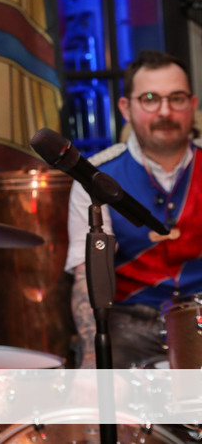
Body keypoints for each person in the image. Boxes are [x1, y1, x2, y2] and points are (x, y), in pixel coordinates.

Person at [66, 49, 202, 368]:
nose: (165, 111)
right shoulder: (95, 178)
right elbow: (87, 278)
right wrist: (92, 361)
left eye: (177, 98)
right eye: (150, 99)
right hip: (128, 325)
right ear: (126, 108)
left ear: (193, 105)